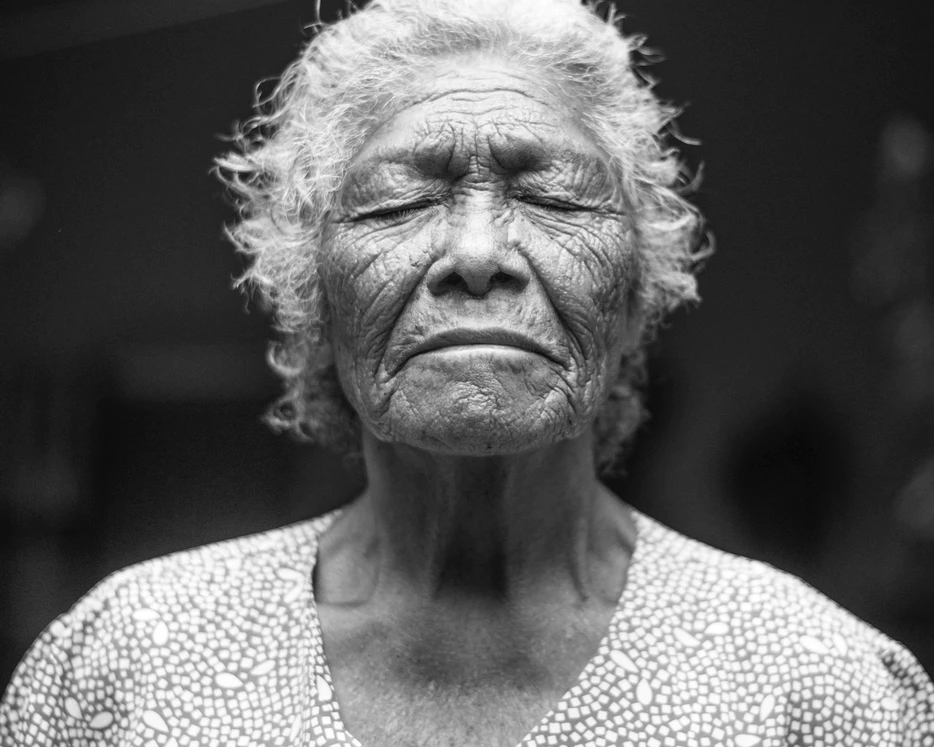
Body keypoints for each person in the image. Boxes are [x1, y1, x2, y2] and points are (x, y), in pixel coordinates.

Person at [2, 0, 933, 744]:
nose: (479, 252)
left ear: (633, 296)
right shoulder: (124, 664)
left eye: (553, 195)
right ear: (314, 298)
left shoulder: (822, 692)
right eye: (402, 198)